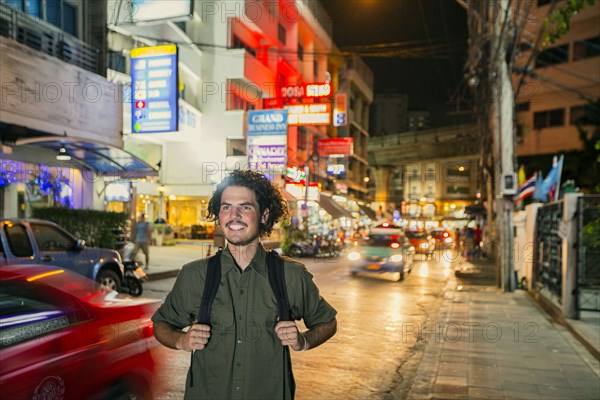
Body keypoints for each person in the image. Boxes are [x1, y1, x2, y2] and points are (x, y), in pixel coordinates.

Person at [152, 170, 338, 399]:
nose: (234, 215)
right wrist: (181, 340)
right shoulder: (194, 275)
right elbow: (161, 324)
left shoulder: (291, 275)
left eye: (245, 207)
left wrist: (303, 341)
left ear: (264, 215)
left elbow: (328, 322)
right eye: (226, 207)